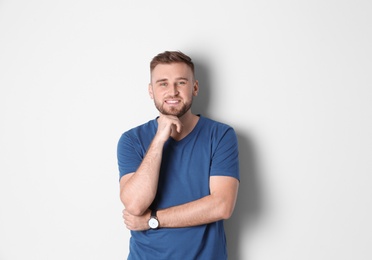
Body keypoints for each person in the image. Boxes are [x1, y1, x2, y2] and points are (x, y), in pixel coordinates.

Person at [117, 51, 240, 259]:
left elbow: (222, 205)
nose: (172, 91)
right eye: (163, 83)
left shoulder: (220, 135)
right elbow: (135, 205)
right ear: (151, 90)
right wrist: (158, 140)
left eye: (181, 83)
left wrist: (151, 220)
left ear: (195, 88)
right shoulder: (132, 140)